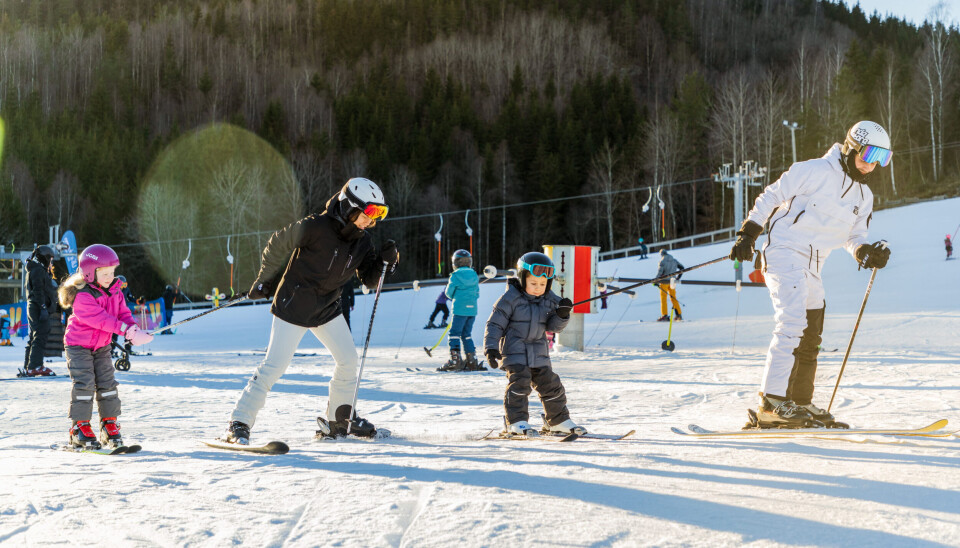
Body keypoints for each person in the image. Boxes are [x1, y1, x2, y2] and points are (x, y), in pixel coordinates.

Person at [729, 120, 893, 428]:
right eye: (868, 154)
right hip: (784, 251)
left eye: (881, 158)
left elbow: (853, 236)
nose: (872, 165)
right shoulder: (815, 170)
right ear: (851, 147)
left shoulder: (864, 197)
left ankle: (799, 402)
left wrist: (866, 252)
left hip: (813, 264)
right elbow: (771, 196)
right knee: (792, 321)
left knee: (812, 331)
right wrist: (749, 233)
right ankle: (772, 402)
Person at [224, 177, 399, 444]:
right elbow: (277, 243)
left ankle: (340, 420)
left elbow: (369, 280)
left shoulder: (362, 242)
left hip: (327, 308)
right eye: (369, 212)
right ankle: (239, 423)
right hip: (294, 305)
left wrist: (387, 263)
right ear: (349, 207)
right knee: (274, 366)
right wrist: (265, 279)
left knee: (348, 361)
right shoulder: (315, 227)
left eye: (379, 214)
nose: (372, 220)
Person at [58, 244, 154, 448]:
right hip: (78, 346)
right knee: (84, 384)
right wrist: (123, 330)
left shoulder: (115, 291)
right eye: (105, 273)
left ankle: (108, 424)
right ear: (90, 273)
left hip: (101, 347)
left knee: (107, 384)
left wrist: (133, 329)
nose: (110, 277)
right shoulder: (83, 295)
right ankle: (79, 427)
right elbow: (101, 320)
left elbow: (123, 314)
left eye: (112, 272)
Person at [483, 251, 581, 436]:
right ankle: (517, 422)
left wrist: (562, 314)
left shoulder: (550, 300)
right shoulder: (509, 299)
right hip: (515, 352)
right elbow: (494, 324)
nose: (538, 288)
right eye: (533, 283)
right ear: (522, 279)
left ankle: (558, 420)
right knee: (520, 384)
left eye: (542, 284)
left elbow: (554, 327)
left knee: (551, 385)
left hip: (539, 353)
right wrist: (491, 348)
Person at [438, 249, 482, 371]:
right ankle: (472, 360)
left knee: (454, 334)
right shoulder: (474, 275)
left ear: (455, 263)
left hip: (459, 310)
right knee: (466, 334)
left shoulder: (455, 276)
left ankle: (455, 360)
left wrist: (455, 296)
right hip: (472, 311)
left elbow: (448, 293)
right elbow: (477, 293)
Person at [23, 245, 59, 376]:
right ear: (44, 258)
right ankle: (35, 366)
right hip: (38, 307)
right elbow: (38, 290)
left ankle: (29, 366)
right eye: (50, 259)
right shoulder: (38, 270)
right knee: (40, 335)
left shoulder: (37, 269)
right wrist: (43, 307)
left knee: (34, 336)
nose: (51, 262)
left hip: (35, 306)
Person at [655, 249, 683, 321]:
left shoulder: (662, 261)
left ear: (661, 254)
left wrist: (656, 281)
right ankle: (679, 314)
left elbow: (660, 272)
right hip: (672, 281)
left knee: (663, 299)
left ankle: (665, 315)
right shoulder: (674, 260)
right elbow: (682, 268)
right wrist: (678, 277)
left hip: (664, 282)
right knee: (673, 298)